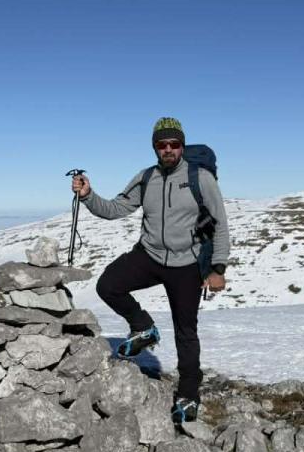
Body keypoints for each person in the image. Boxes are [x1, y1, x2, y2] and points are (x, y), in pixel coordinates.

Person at [70, 117, 230, 423]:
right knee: (108, 285)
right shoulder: (146, 178)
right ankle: (143, 326)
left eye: (174, 144)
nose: (168, 149)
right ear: (155, 147)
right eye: (162, 144)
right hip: (150, 255)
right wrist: (88, 195)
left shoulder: (200, 178)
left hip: (186, 264)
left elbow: (220, 225)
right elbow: (117, 208)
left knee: (186, 332)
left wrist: (217, 268)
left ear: (182, 146)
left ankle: (188, 394)